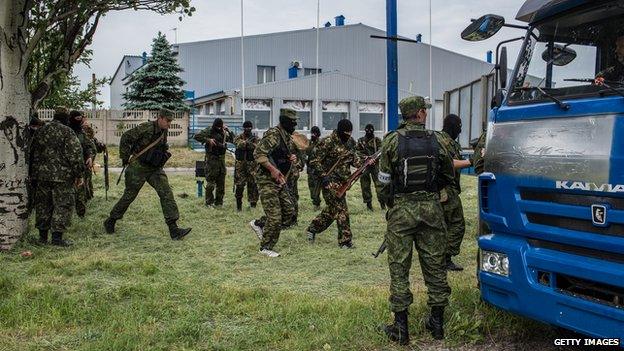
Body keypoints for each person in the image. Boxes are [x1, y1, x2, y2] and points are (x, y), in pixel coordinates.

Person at [378, 96, 454, 343]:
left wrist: (392, 203)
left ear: (405, 115)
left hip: (401, 211)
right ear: (421, 113)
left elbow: (383, 181)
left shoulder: (391, 141)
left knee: (399, 269)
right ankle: (438, 325)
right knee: (435, 267)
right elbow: (447, 174)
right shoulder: (439, 140)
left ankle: (401, 329)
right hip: (432, 210)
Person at [103, 109, 191, 240]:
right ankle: (111, 220)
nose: (169, 124)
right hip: (138, 167)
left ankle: (174, 229)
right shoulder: (146, 127)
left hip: (154, 168)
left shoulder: (164, 131)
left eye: (171, 121)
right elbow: (126, 137)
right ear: (160, 118)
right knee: (129, 196)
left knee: (166, 193)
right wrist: (125, 157)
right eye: (167, 121)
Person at [30, 108, 85, 246]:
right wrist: (79, 174)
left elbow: (32, 152)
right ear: (66, 118)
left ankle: (42, 238)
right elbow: (75, 156)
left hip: (42, 175)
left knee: (43, 205)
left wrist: (33, 173)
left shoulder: (41, 131)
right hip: (63, 177)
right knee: (62, 205)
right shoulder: (67, 132)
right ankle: (56, 239)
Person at [249, 108, 298, 257]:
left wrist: (291, 159)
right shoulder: (274, 134)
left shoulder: (287, 137)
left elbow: (280, 155)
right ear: (284, 122)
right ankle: (265, 247)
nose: (295, 126)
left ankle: (259, 224)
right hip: (266, 179)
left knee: (289, 213)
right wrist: (272, 169)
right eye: (292, 123)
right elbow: (258, 153)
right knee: (275, 217)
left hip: (279, 179)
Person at [305, 119, 361, 248]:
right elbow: (314, 160)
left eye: (350, 133)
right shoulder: (327, 142)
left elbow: (354, 159)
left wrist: (364, 164)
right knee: (342, 210)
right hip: (329, 182)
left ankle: (312, 228)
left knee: (332, 211)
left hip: (343, 182)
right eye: (346, 132)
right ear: (340, 131)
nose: (348, 135)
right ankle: (345, 242)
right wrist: (323, 176)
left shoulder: (351, 142)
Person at [437, 114, 472, 271]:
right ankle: (445, 258)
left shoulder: (448, 142)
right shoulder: (443, 142)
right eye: (459, 126)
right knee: (457, 224)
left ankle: (440, 257)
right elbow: (449, 163)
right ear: (453, 126)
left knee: (443, 225)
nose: (460, 130)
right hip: (445, 189)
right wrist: (471, 162)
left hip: (445, 189)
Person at [194, 118, 235, 207]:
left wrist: (228, 130)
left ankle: (219, 203)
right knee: (210, 183)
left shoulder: (223, 132)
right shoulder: (209, 130)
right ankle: (209, 202)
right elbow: (196, 136)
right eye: (217, 127)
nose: (219, 128)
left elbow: (233, 140)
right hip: (212, 160)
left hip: (221, 161)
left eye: (220, 127)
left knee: (221, 183)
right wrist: (208, 140)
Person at [69, 110, 96, 217]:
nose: (80, 121)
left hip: (80, 165)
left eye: (81, 119)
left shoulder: (81, 132)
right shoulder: (66, 131)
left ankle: (81, 213)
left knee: (80, 189)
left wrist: (89, 156)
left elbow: (88, 146)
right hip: (65, 166)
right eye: (77, 119)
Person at [357, 123, 384, 211]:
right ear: (365, 131)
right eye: (367, 130)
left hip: (375, 165)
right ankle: (369, 205)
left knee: (380, 185)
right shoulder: (361, 141)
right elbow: (357, 152)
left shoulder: (377, 140)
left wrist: (373, 159)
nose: (369, 132)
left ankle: (382, 204)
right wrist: (366, 158)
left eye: (371, 130)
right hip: (365, 166)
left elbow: (381, 151)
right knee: (365, 185)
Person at [233, 121, 259, 211]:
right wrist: (247, 144)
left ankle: (253, 205)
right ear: (243, 128)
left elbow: (257, 147)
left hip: (252, 165)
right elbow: (238, 143)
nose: (248, 129)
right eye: (246, 127)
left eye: (249, 127)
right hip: (240, 165)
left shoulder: (255, 138)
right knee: (239, 185)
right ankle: (239, 206)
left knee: (253, 185)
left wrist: (247, 144)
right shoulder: (238, 137)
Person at [307, 126, 323, 210]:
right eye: (312, 133)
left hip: (318, 169)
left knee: (317, 188)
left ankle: (317, 204)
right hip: (310, 169)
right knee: (311, 187)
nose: (313, 135)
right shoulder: (309, 143)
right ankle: (315, 202)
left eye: (315, 133)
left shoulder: (321, 143)